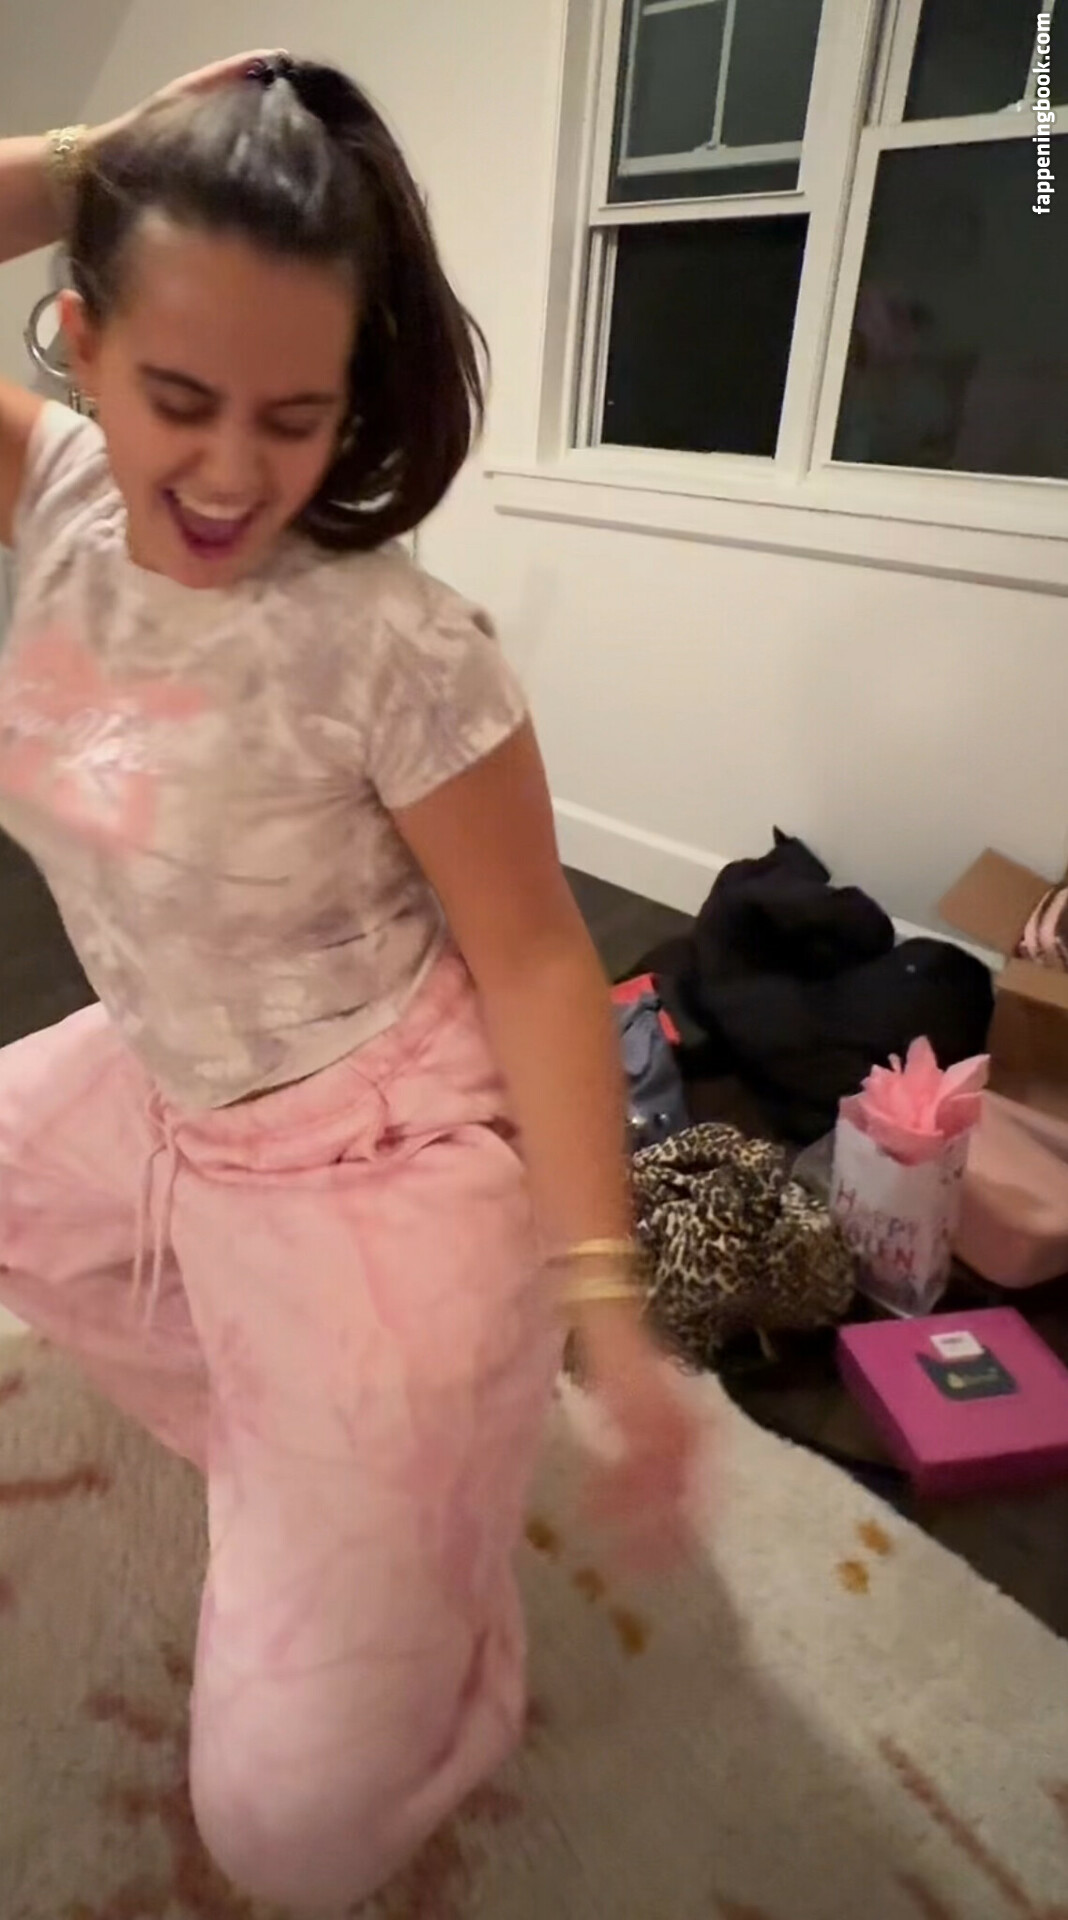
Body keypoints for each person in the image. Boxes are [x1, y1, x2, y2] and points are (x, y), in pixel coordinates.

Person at [0, 51, 699, 1914]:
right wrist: (94, 155)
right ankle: (319, 1474)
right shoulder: (50, 494)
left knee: (292, 1840)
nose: (233, 473)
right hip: (165, 1088)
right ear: (83, 339)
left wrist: (608, 1306)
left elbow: (541, 958)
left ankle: (423, 1544)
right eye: (179, 398)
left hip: (374, 1162)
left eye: (294, 418)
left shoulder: (394, 644)